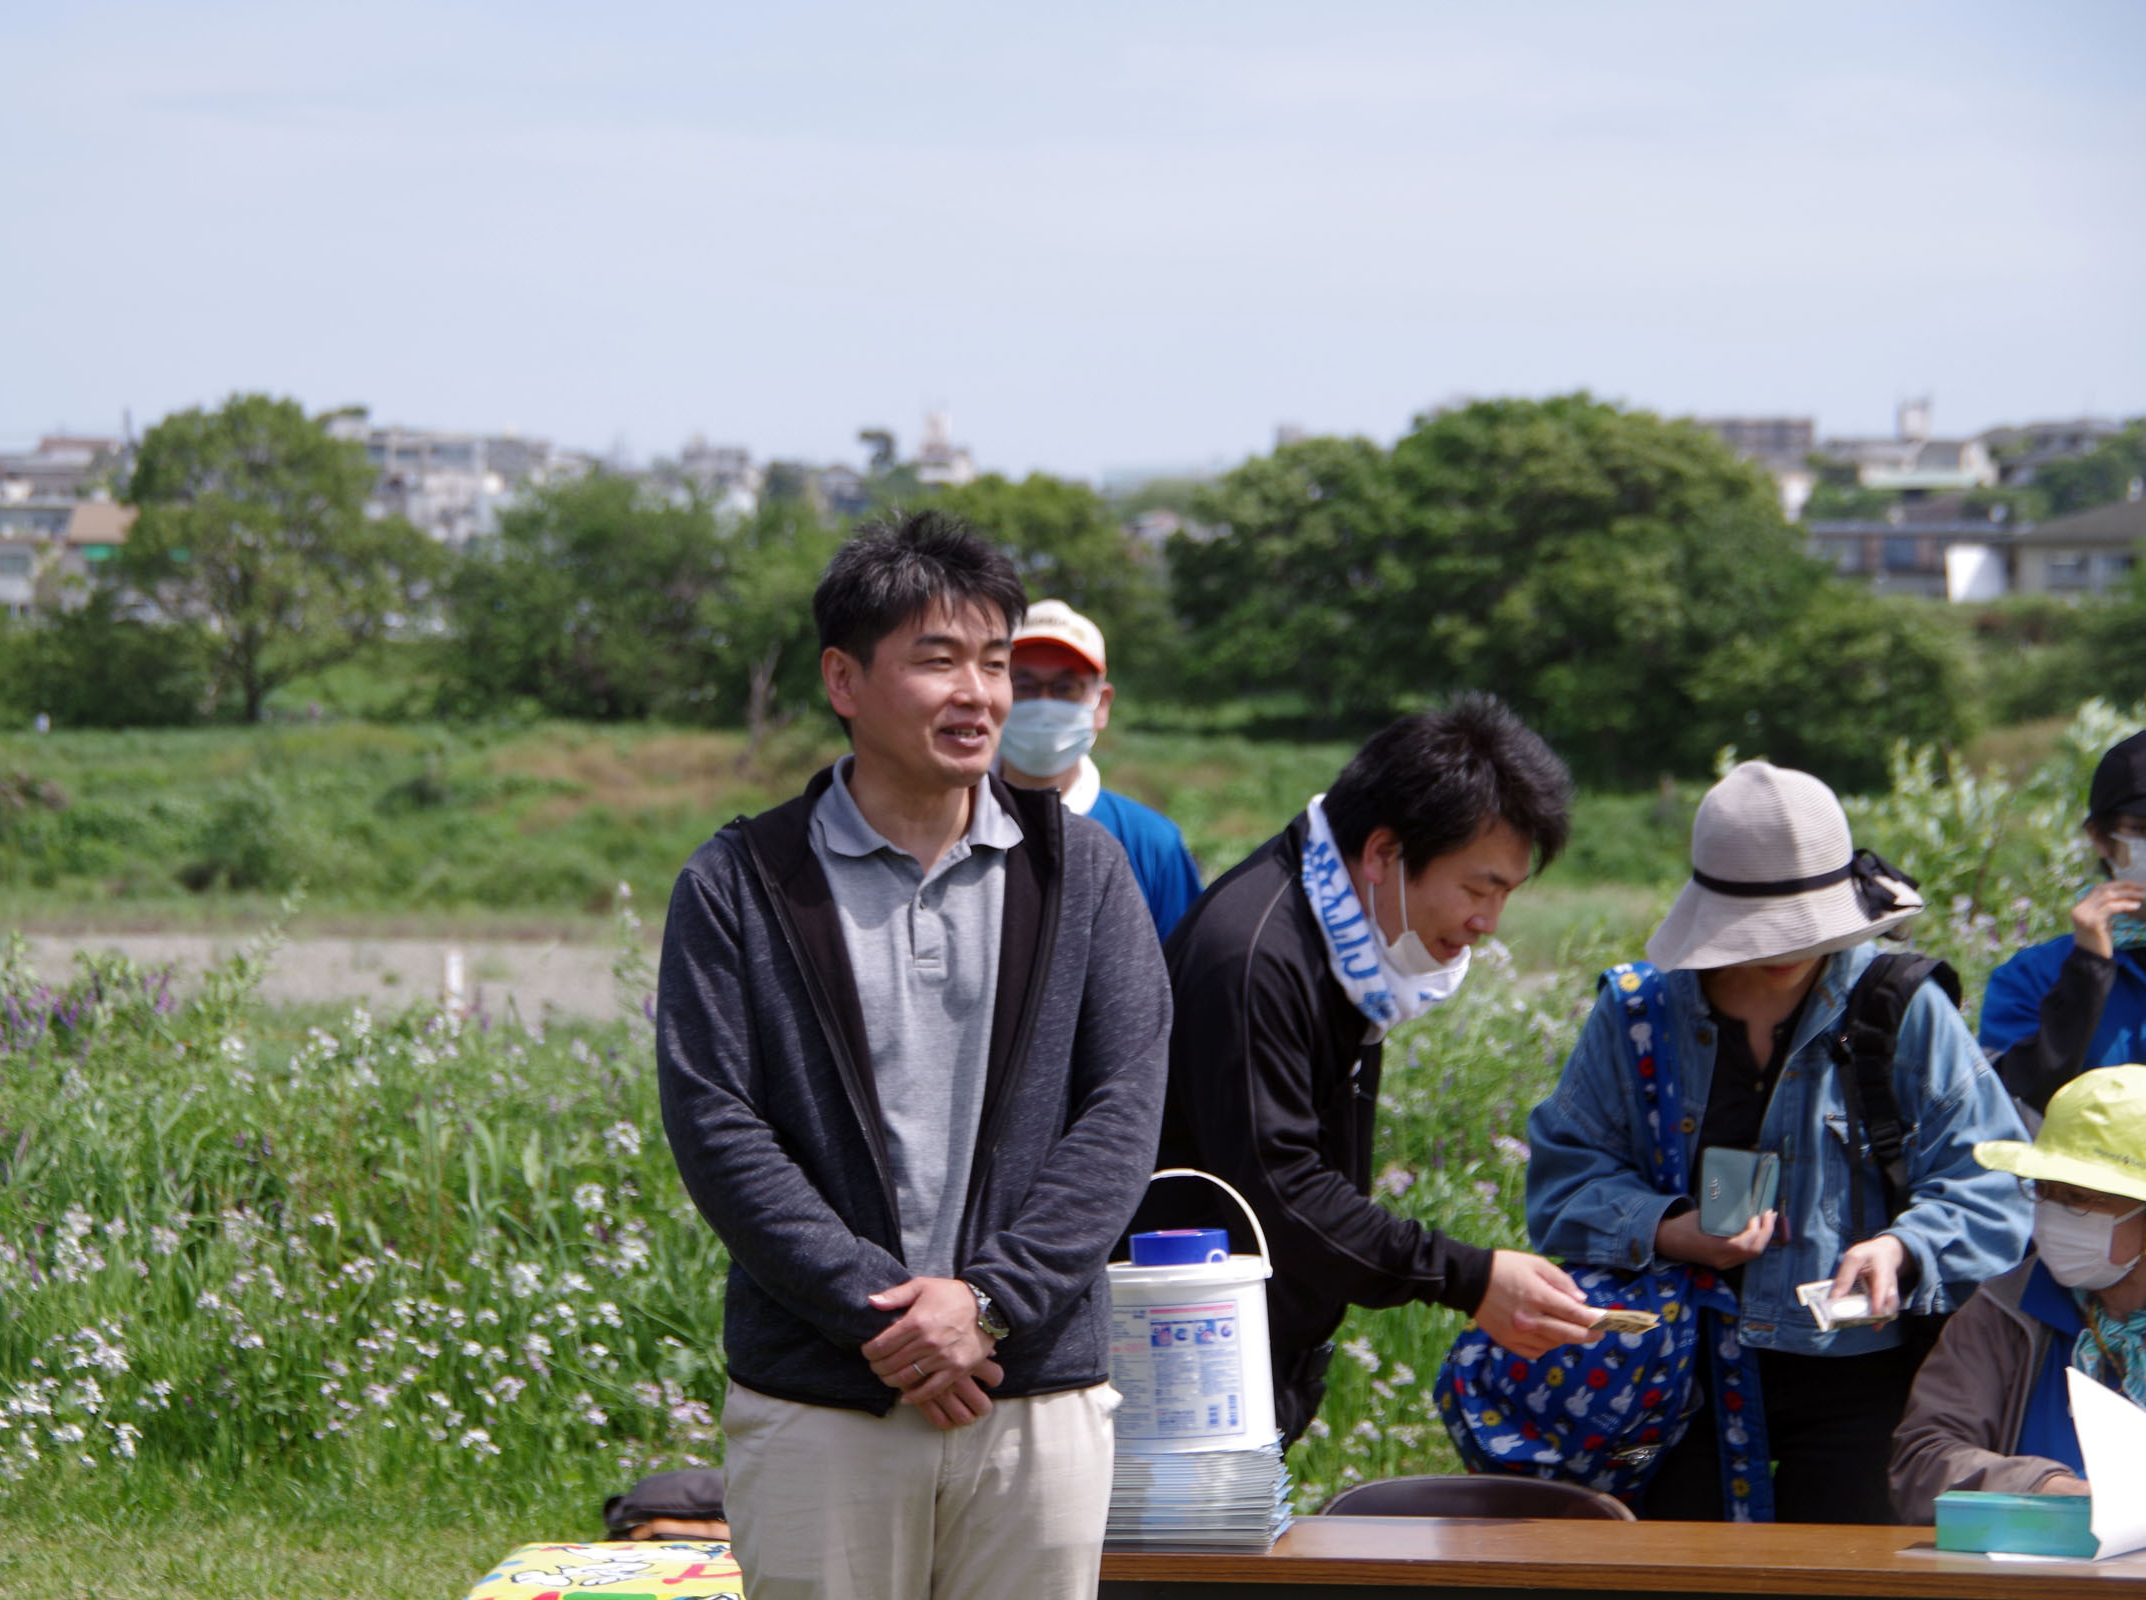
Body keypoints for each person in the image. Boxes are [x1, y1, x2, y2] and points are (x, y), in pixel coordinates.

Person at [655, 509, 1171, 1600]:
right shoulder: (740, 883)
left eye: (996, 662)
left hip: (1031, 1389)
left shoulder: (1085, 874)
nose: (980, 694)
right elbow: (717, 1123)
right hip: (826, 1399)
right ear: (845, 681)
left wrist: (986, 1303)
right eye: (938, 660)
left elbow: (1123, 1109)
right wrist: (889, 1315)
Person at [1527, 760, 2032, 1525]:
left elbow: (1993, 1184)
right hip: (1671, 1380)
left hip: (1860, 1382)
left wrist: (1904, 1248)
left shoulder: (1901, 1009)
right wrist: (1670, 1231)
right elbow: (1562, 1181)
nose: (1789, 948)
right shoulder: (1638, 1014)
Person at [1154, 694, 1598, 1448]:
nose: (1488, 923)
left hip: (1250, 1356)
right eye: (1477, 887)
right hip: (1183, 1372)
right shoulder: (1256, 955)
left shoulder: (1348, 938)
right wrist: (1468, 1278)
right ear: (1384, 854)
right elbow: (1280, 1194)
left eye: (1506, 895)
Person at [1891, 1064, 2146, 1523]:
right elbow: (1922, 1461)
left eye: (2080, 1197)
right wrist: (2044, 1488)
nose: (2053, 1214)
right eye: (2044, 1191)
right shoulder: (2002, 1310)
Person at [998, 599, 1202, 941]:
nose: (1045, 704)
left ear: (1101, 704)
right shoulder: (949, 828)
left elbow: (1183, 980)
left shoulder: (1152, 843)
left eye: (1066, 688)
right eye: (1024, 685)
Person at [1979, 730, 2146, 1112]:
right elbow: (2009, 1107)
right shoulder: (2029, 979)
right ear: (2102, 839)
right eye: (2143, 830)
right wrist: (2087, 976)